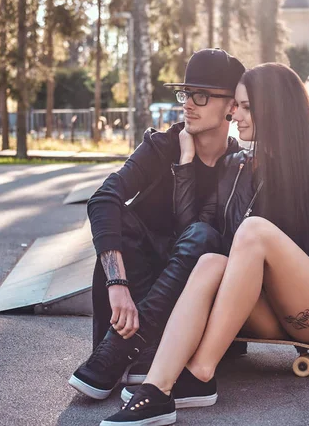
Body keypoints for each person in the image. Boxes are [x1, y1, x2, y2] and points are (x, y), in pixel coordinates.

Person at [99, 63, 309, 426]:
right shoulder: (237, 164)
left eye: (246, 107)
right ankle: (156, 390)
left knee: (253, 231)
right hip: (265, 310)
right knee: (210, 262)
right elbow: (196, 232)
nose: (236, 115)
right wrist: (185, 164)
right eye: (237, 106)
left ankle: (200, 370)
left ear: (275, 107)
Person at [68, 49, 246, 400]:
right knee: (121, 215)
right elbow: (103, 198)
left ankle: (121, 351)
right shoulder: (160, 145)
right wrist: (116, 283)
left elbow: (198, 240)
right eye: (185, 93)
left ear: (231, 108)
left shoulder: (237, 166)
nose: (188, 105)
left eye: (201, 95)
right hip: (133, 293)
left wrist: (186, 168)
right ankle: (131, 351)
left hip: (186, 303)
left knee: (203, 235)